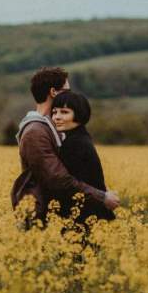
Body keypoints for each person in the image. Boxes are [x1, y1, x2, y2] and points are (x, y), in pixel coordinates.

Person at [11, 67, 120, 228]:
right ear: (54, 92)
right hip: (41, 216)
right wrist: (101, 197)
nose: (70, 95)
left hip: (60, 214)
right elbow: (57, 179)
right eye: (66, 90)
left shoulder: (53, 126)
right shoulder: (35, 131)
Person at [51, 90, 116, 224]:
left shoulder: (75, 143)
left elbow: (67, 183)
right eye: (54, 112)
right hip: (90, 213)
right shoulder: (79, 137)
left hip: (85, 216)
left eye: (64, 112)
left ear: (79, 114)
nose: (56, 117)